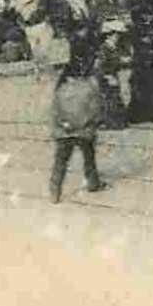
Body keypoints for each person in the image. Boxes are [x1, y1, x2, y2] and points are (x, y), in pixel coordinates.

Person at [48, 39, 109, 203]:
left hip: (63, 132)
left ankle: (55, 191)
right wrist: (94, 123)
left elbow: (54, 111)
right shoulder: (90, 87)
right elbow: (96, 110)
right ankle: (93, 182)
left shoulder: (60, 89)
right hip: (84, 130)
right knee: (89, 157)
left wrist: (62, 125)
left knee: (60, 162)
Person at [95, 23, 129, 130]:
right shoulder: (105, 48)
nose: (117, 37)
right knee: (109, 100)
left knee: (114, 99)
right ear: (108, 36)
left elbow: (115, 61)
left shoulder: (112, 47)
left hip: (113, 76)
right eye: (115, 35)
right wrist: (108, 76)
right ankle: (108, 122)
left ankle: (115, 122)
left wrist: (123, 61)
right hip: (106, 78)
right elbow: (101, 65)